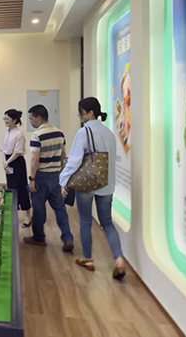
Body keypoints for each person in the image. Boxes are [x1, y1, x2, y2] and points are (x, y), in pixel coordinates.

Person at [60, 97, 127, 280]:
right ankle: (119, 259)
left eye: (81, 112)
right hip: (106, 185)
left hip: (87, 184)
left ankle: (88, 259)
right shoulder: (109, 134)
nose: (79, 115)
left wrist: (63, 180)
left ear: (90, 113)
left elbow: (74, 161)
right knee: (107, 222)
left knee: (85, 221)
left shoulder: (84, 132)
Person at [24, 104, 74, 251]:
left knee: (39, 209)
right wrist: (62, 175)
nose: (30, 122)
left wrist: (32, 179)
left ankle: (39, 237)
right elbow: (63, 156)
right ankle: (68, 238)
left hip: (41, 177)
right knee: (60, 209)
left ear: (39, 118)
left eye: (31, 119)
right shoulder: (60, 133)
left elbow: (35, 159)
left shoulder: (37, 135)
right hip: (55, 176)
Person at [1, 109, 32, 227]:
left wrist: (7, 162)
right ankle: (13, 213)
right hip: (8, 162)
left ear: (14, 120)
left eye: (7, 119)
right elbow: (3, 149)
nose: (5, 121)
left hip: (17, 162)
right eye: (4, 119)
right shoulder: (7, 132)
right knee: (11, 188)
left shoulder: (19, 133)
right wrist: (4, 163)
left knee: (21, 188)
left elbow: (18, 152)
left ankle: (28, 215)